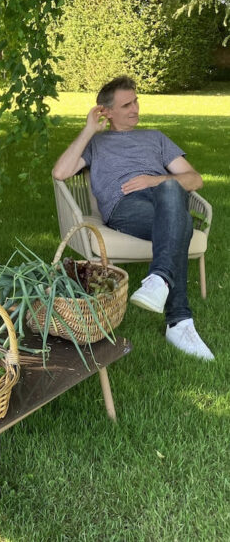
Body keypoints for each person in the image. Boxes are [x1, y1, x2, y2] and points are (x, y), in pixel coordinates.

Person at [52, 75, 214, 361]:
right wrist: (89, 130)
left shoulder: (156, 137)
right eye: (127, 104)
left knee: (170, 186)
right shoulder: (97, 144)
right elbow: (60, 172)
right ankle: (179, 321)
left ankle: (159, 282)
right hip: (124, 207)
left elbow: (194, 179)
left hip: (163, 197)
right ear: (107, 112)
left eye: (136, 101)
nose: (136, 108)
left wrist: (153, 180)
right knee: (182, 223)